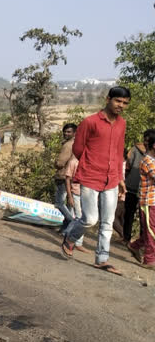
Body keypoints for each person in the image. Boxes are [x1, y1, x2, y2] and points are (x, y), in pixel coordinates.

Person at [61, 86, 131, 275]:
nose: (121, 105)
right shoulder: (90, 122)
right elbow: (78, 149)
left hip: (111, 179)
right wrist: (91, 163)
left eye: (125, 103)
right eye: (118, 101)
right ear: (108, 99)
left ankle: (102, 259)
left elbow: (118, 151)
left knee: (107, 222)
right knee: (91, 219)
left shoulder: (121, 124)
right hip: (91, 176)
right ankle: (70, 236)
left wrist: (120, 178)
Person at [128, 129, 155, 269]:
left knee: (150, 230)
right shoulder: (148, 161)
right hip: (149, 202)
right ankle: (149, 260)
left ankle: (135, 245)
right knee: (151, 231)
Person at [121, 132, 153, 243]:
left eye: (147, 140)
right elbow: (128, 166)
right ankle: (128, 238)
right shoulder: (137, 151)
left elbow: (128, 166)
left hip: (141, 189)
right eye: (145, 139)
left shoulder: (137, 150)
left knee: (143, 218)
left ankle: (137, 240)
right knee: (131, 214)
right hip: (136, 188)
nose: (145, 142)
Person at [54, 123, 77, 233]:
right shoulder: (76, 144)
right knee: (69, 204)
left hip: (63, 176)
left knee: (59, 203)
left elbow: (60, 162)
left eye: (69, 132)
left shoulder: (68, 145)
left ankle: (72, 221)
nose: (66, 133)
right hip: (72, 176)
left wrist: (55, 163)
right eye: (65, 131)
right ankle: (65, 229)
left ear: (74, 133)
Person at [63, 154, 88, 253]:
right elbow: (67, 179)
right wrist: (70, 196)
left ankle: (68, 235)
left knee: (84, 218)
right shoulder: (73, 162)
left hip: (86, 194)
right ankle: (76, 242)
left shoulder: (87, 162)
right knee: (80, 217)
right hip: (76, 194)